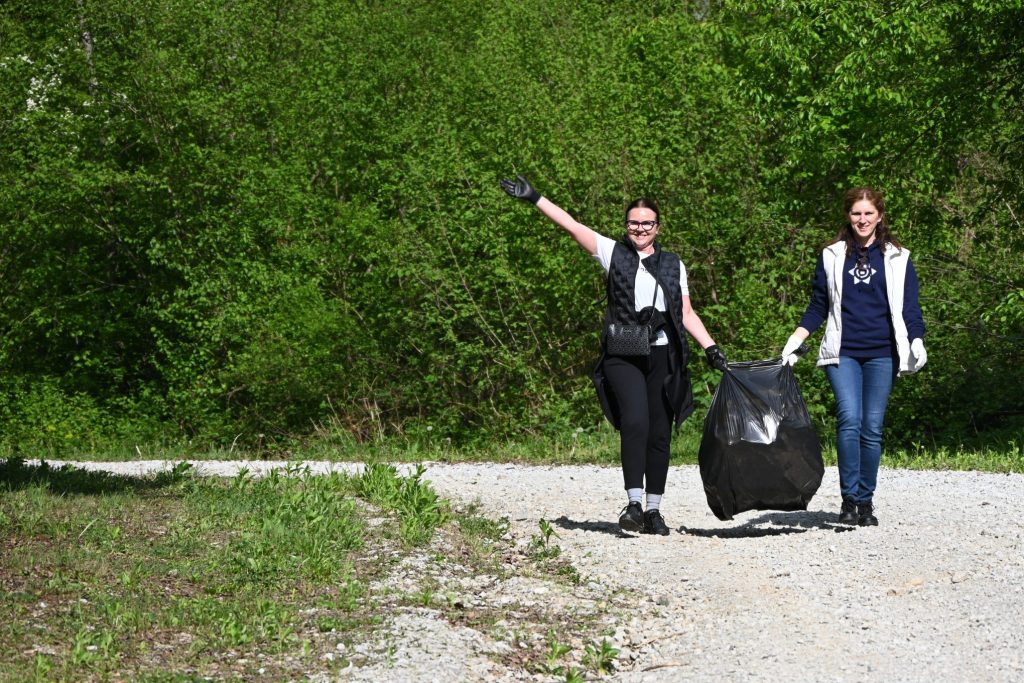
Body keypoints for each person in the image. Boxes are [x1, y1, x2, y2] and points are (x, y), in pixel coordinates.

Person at [501, 174, 728, 536]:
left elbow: (685, 312)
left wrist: (711, 348)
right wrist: (535, 198)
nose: (640, 229)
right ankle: (633, 503)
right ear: (626, 225)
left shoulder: (674, 265)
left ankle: (653, 510)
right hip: (624, 352)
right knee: (635, 421)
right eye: (634, 223)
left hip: (663, 355)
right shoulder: (613, 252)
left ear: (658, 226)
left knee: (659, 433)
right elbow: (572, 226)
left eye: (647, 223)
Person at [781, 187, 926, 527]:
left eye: (868, 213)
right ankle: (848, 499)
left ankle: (865, 501)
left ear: (880, 216)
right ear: (848, 216)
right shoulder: (831, 255)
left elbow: (910, 307)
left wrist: (916, 339)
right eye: (856, 213)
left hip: (883, 353)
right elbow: (818, 305)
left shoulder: (898, 257)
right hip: (842, 352)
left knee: (871, 427)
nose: (862, 219)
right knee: (849, 419)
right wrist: (796, 340)